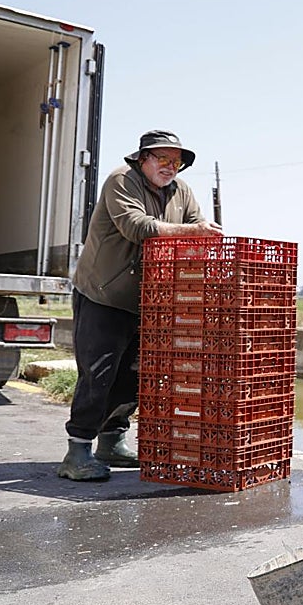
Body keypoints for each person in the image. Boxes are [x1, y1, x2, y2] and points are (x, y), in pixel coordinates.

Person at [58, 130, 223, 481]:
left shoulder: (182, 192)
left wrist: (202, 234)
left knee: (135, 376)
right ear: (142, 159)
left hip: (149, 300)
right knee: (98, 374)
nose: (170, 167)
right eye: (162, 159)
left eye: (176, 161)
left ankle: (111, 443)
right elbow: (137, 227)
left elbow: (196, 225)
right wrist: (193, 233)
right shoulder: (122, 180)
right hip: (102, 294)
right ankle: (77, 452)